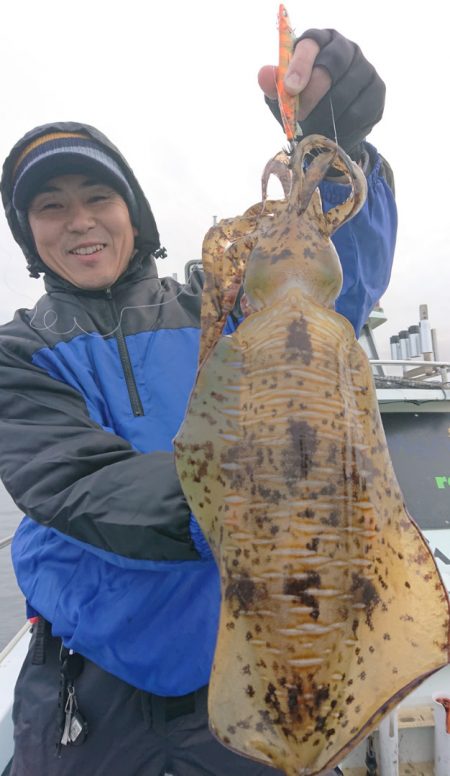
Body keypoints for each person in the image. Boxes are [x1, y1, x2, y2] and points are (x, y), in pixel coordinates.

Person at [0, 27, 396, 776]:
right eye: (51, 207)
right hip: (91, 697)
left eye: (97, 197)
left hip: (249, 662)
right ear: (28, 233)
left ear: (133, 212)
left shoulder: (218, 305)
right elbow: (77, 483)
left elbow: (333, 282)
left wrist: (338, 144)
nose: (79, 220)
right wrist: (248, 500)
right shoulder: (17, 352)